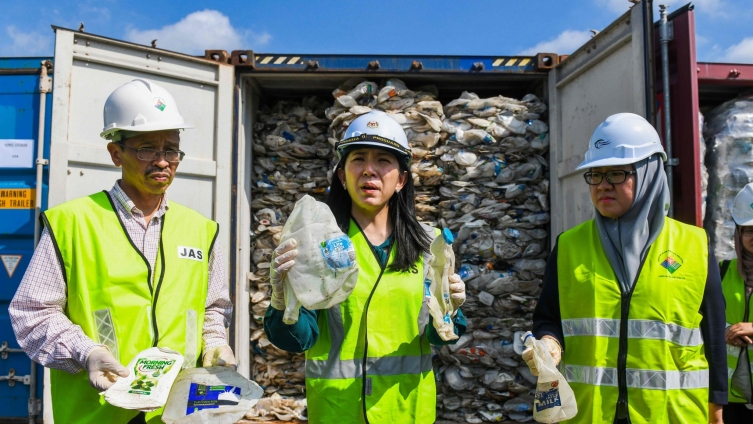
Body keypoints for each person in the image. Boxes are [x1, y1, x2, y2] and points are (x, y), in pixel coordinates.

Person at [9, 79, 235, 424]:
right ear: (116, 153)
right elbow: (32, 313)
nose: (163, 161)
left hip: (180, 412)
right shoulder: (73, 222)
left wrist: (217, 345)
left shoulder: (202, 230)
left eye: (171, 149)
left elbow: (211, 310)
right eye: (147, 149)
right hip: (99, 411)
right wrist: (89, 353)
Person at [263, 110, 467, 423]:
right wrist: (283, 309)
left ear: (401, 179)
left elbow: (442, 337)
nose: (369, 171)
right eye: (358, 159)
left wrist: (450, 312)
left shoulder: (431, 245)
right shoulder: (317, 245)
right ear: (342, 176)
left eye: (383, 161)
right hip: (337, 412)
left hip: (406, 412)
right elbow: (298, 340)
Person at [525, 113, 727, 424]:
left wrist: (717, 407)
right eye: (595, 175)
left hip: (672, 414)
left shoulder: (694, 245)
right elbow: (548, 318)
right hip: (590, 413)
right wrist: (549, 341)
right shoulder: (569, 246)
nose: (602, 186)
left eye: (616, 174)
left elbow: (713, 336)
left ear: (648, 173)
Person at [720, 183, 753, 423]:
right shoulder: (721, 272)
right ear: (739, 234)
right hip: (731, 399)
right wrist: (725, 333)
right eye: (749, 229)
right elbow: (699, 322)